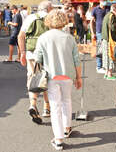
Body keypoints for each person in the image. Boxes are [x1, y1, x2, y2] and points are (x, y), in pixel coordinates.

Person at [34, 9, 82, 151]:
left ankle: (59, 139)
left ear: (49, 21)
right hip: (68, 75)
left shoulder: (43, 37)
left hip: (51, 76)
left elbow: (38, 59)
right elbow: (76, 60)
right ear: (64, 21)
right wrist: (78, 78)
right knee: (67, 101)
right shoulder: (69, 38)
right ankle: (67, 128)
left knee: (55, 106)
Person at [18, 0, 53, 124]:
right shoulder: (51, 18)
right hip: (47, 54)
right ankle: (46, 107)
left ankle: (33, 104)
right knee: (46, 79)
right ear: (49, 8)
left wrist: (22, 53)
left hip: (31, 53)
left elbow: (20, 36)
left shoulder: (30, 18)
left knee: (33, 78)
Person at [101, 3, 116, 80]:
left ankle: (106, 73)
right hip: (110, 40)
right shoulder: (112, 16)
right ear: (115, 10)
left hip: (105, 38)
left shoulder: (107, 15)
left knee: (106, 56)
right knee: (111, 56)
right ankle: (109, 74)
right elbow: (112, 28)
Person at [90, 0, 109, 73]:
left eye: (105, 1)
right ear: (100, 1)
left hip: (108, 31)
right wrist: (92, 33)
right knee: (100, 49)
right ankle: (99, 66)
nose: (104, 2)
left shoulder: (109, 8)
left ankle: (105, 66)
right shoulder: (95, 9)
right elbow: (91, 22)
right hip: (99, 32)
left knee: (106, 49)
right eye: (103, 1)